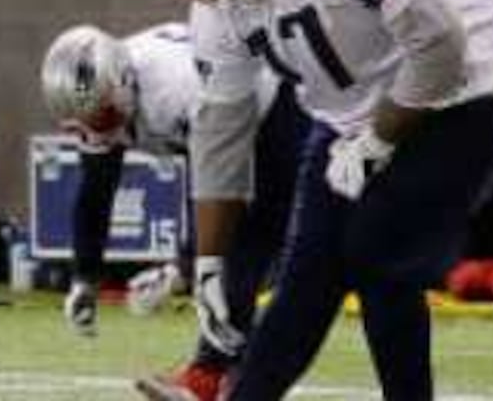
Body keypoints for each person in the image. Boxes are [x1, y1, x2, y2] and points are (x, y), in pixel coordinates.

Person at [130, 0, 493, 401]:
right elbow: (222, 138)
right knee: (307, 266)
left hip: (468, 80)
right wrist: (209, 264)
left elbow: (441, 46)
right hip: (354, 104)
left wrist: (379, 139)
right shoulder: (217, 7)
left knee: (378, 256)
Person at [42, 21, 307, 401]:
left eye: (102, 119)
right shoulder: (103, 90)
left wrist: (182, 269)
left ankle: (217, 378)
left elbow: (215, 192)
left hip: (276, 112)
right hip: (231, 124)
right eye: (84, 124)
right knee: (233, 259)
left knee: (251, 254)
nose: (96, 133)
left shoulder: (175, 90)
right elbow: (96, 188)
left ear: (123, 85)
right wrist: (85, 276)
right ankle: (224, 377)